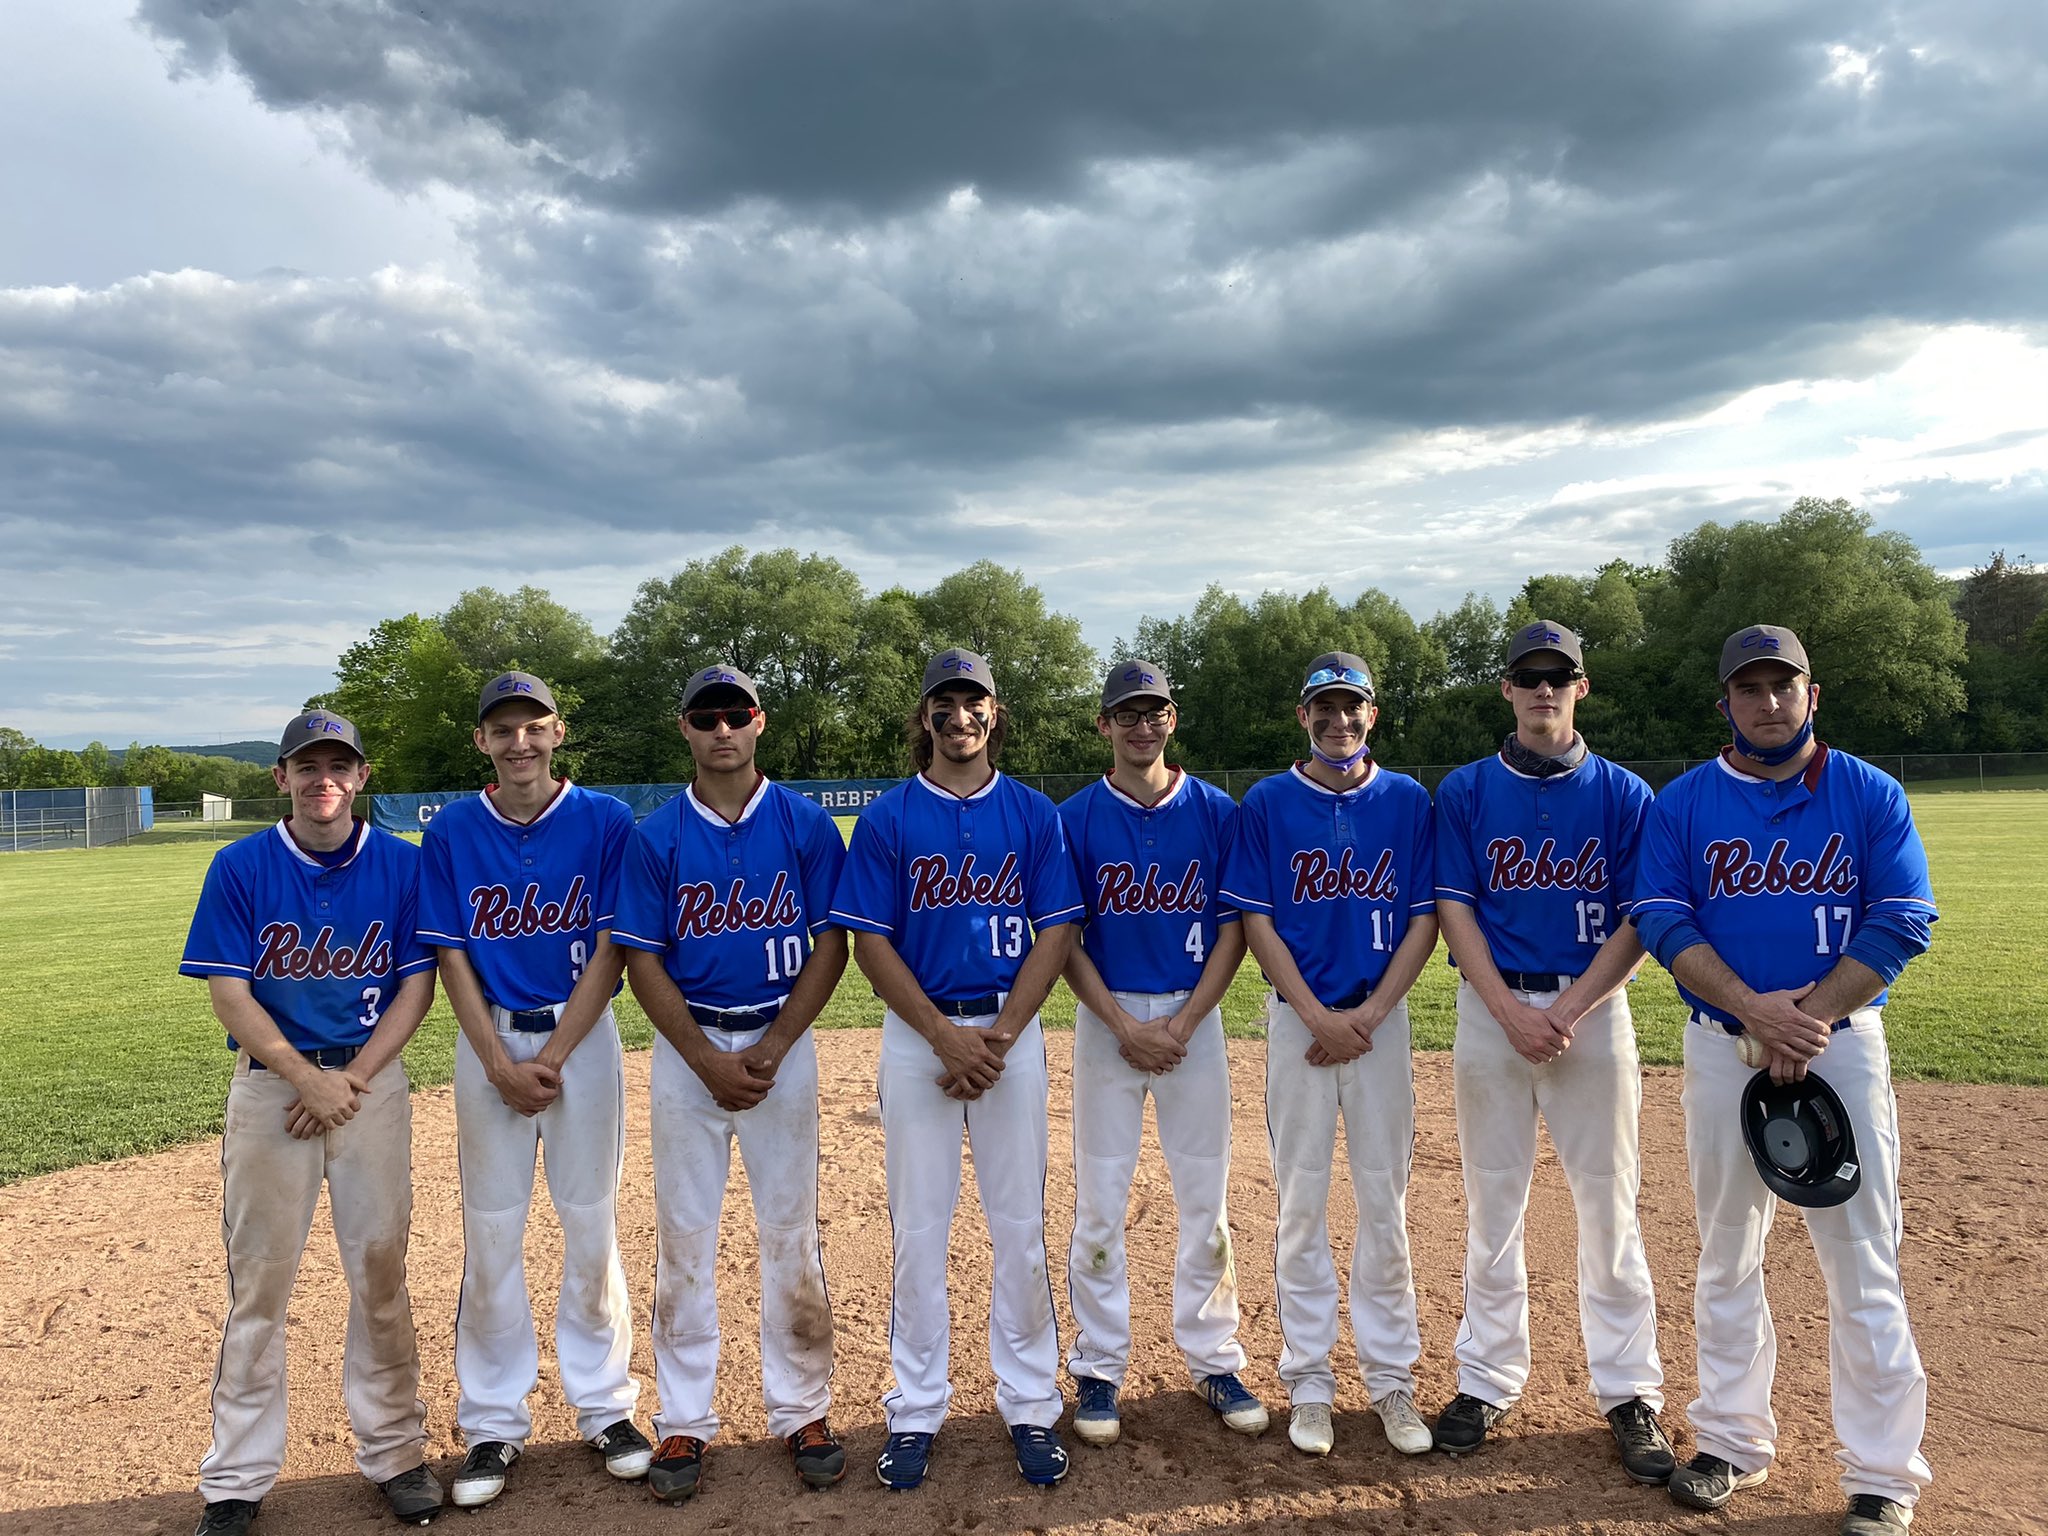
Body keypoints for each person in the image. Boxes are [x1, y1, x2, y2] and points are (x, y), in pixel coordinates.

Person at [1633, 625, 1935, 1536]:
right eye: (1750, 688)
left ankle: (1884, 1476)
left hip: (1839, 1046)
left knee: (1862, 1262)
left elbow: (1903, 919)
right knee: (1728, 1252)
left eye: (1783, 685)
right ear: (1725, 701)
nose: (1768, 702)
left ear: (1813, 694)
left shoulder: (1867, 792)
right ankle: (1730, 1439)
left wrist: (1809, 1016)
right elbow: (1660, 917)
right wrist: (1757, 1013)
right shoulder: (1683, 803)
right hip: (1723, 1044)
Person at [179, 710, 443, 1535]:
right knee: (257, 1282)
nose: (322, 778)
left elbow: (415, 986)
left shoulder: (401, 866)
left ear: (361, 776)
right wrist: (304, 1077)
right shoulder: (240, 865)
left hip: (370, 1088)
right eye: (307, 765)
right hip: (270, 1090)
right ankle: (236, 1478)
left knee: (380, 1273)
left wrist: (352, 1078)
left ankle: (397, 1453)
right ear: (282, 777)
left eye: (338, 764)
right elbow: (230, 991)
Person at [829, 647, 1085, 1490]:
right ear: (926, 718)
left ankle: (1030, 1404)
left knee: (1020, 1230)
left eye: (974, 700)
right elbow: (871, 942)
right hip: (920, 1042)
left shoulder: (1033, 814)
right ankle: (915, 1408)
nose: (960, 715)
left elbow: (1057, 930)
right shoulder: (891, 816)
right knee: (919, 1231)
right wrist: (943, 1036)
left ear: (994, 713)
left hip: (1009, 1036)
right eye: (945, 702)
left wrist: (1002, 1035)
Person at [1430, 619, 1674, 1483]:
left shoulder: (1624, 794)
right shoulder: (1464, 791)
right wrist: (1505, 1006)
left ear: (1581, 688)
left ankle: (1628, 1391)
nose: (1543, 689)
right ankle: (1488, 1377)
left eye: (1558, 676)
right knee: (1493, 1206)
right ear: (1506, 689)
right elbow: (1455, 908)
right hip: (1491, 1011)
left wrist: (1568, 1007)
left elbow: (1644, 916)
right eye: (1528, 675)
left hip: (1592, 1012)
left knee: (1610, 1208)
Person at [612, 664, 851, 1501]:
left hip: (779, 1043)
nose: (721, 729)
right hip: (691, 1049)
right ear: (685, 729)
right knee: (684, 1236)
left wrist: (779, 1044)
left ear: (759, 724)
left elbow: (832, 944)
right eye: (705, 716)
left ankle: (803, 1410)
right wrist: (703, 1057)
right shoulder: (656, 835)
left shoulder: (806, 824)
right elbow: (641, 958)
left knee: (790, 1232)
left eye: (735, 714)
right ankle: (683, 1420)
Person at [418, 671, 650, 1509]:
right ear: (481, 740)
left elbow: (614, 947)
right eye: (502, 729)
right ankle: (491, 1423)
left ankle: (605, 1408)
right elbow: (451, 956)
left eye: (533, 726)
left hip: (581, 1043)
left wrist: (551, 1052)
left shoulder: (605, 821)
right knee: (491, 1234)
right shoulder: (450, 831)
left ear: (557, 733)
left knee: (592, 1225)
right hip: (489, 1047)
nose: (519, 742)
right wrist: (497, 1062)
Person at [1218, 651, 1438, 1459]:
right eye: (1324, 708)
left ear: (1372, 715)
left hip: (1382, 1027)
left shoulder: (1408, 800)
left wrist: (1372, 1013)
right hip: (1297, 1026)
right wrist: (1314, 1012)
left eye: (1352, 708)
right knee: (1300, 1206)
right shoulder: (1271, 802)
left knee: (1386, 1206)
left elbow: (1425, 916)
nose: (1338, 721)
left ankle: (1391, 1382)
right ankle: (1309, 1383)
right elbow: (1257, 922)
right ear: (1303, 717)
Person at [1058, 661, 1267, 1447]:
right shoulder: (1074, 817)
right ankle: (1100, 1367)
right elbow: (1064, 938)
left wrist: (1183, 1022)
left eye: (1155, 712)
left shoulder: (1217, 811)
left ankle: (1214, 1358)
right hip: (1107, 1025)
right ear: (1105, 725)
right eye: (1127, 714)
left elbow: (1234, 928)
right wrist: (1119, 1021)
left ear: (1172, 720)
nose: (1141, 726)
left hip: (1194, 1021)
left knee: (1204, 1200)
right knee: (1101, 1201)